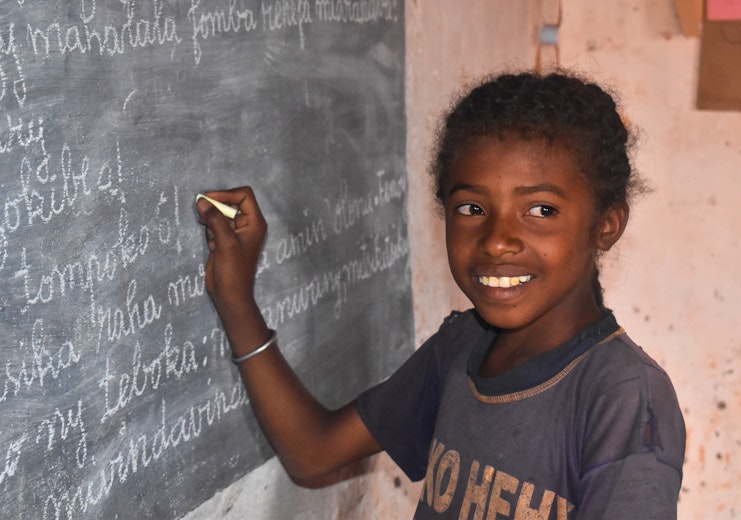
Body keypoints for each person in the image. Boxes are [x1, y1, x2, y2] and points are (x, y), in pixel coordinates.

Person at [196, 70, 686, 519]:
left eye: (540, 210)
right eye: (472, 206)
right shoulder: (464, 345)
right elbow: (312, 451)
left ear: (606, 225)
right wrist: (236, 300)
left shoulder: (623, 397)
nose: (496, 240)